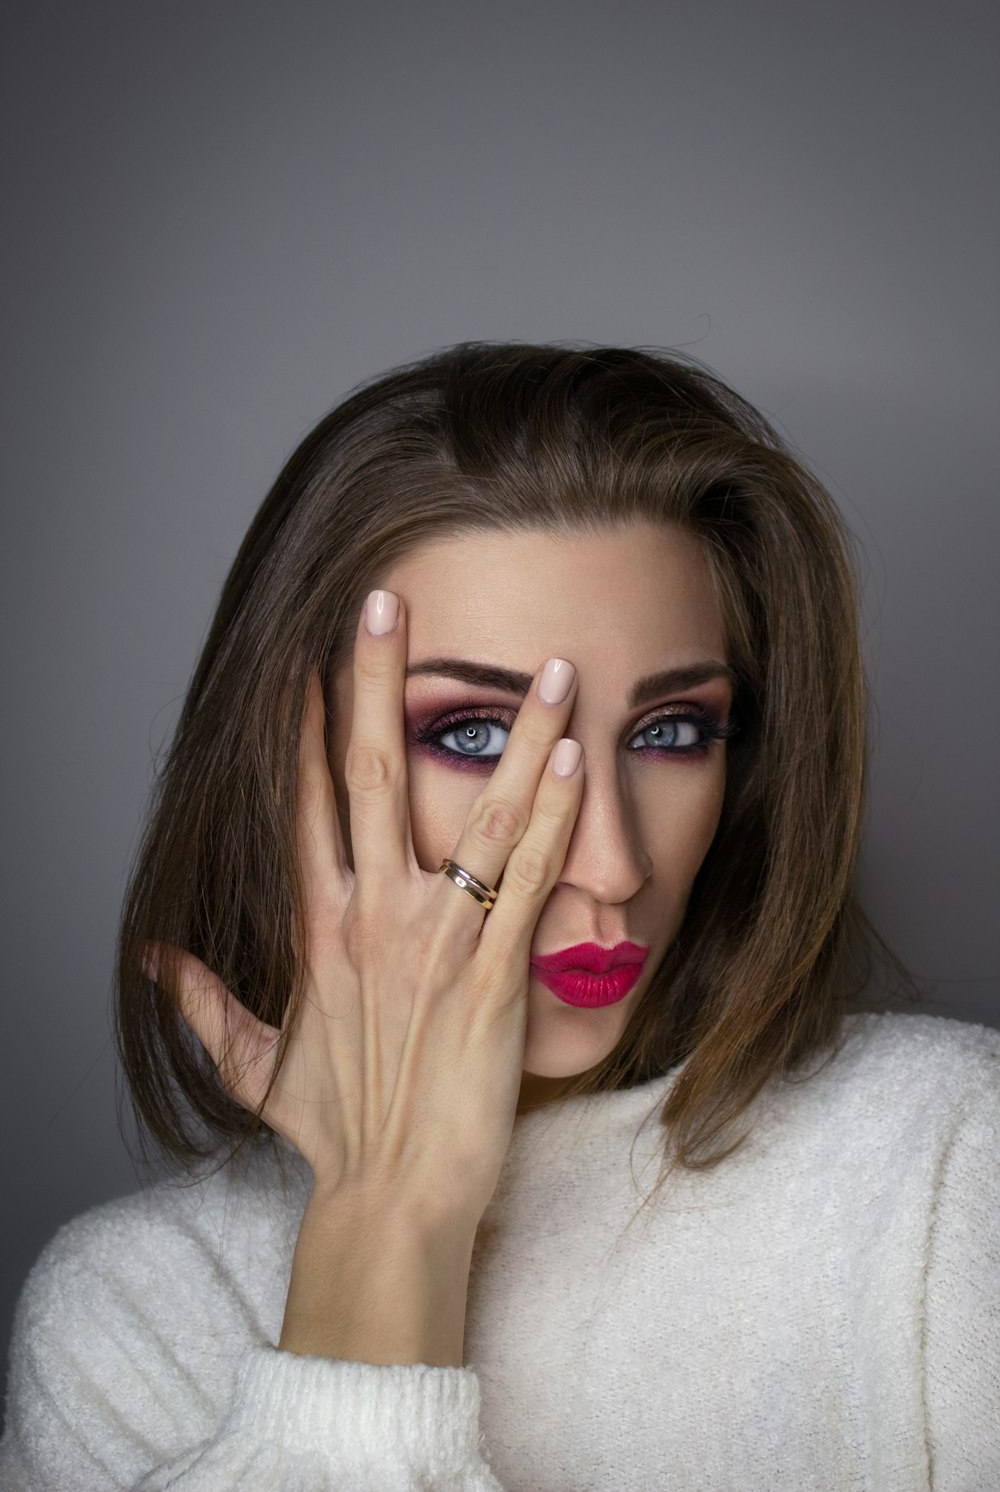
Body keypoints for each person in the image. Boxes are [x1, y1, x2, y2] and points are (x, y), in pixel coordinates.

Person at [1, 343, 996, 1491]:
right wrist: (388, 1220)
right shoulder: (128, 1320)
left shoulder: (944, 1165)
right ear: (297, 768)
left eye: (673, 732)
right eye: (476, 736)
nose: (611, 869)